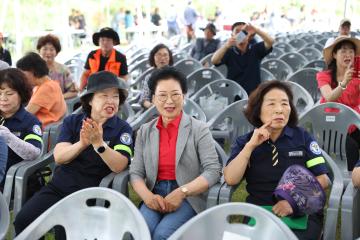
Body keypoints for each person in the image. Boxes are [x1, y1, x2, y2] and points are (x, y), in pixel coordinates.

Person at [14, 71, 133, 239]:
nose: (110, 101)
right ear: (90, 100)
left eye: (115, 96)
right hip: (59, 188)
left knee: (67, 233)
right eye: (104, 96)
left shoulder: (122, 128)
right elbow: (60, 157)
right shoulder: (73, 122)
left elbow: (120, 165)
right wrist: (82, 144)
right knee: (24, 221)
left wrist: (99, 144)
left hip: (91, 194)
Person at [223, 80, 329, 239]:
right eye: (271, 104)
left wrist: (292, 202)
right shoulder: (245, 141)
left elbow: (323, 179)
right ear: (258, 110)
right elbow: (231, 178)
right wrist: (250, 146)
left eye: (284, 103)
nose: (279, 110)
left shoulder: (303, 138)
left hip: (299, 211)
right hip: (258, 212)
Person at [130, 67, 222, 240]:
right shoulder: (145, 131)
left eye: (175, 94)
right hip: (154, 193)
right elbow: (136, 171)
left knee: (163, 235)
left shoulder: (199, 129)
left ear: (184, 96)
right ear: (154, 99)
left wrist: (182, 191)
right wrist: (147, 196)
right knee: (140, 232)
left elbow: (213, 170)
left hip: (189, 196)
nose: (169, 101)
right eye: (162, 95)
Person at [317, 36, 360, 171]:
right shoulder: (324, 75)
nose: (348, 55)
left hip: (352, 125)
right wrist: (344, 83)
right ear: (334, 55)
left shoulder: (357, 78)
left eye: (351, 51)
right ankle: (350, 182)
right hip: (331, 126)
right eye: (343, 51)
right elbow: (329, 97)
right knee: (351, 147)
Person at [0, 68, 42, 187]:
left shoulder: (30, 121)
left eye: (9, 93)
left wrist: (8, 137)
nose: (3, 98)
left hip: (12, 181)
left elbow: (34, 153)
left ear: (21, 94)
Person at [211, 22, 273, 95]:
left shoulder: (255, 49)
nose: (241, 34)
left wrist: (256, 30)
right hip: (233, 93)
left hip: (253, 94)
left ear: (248, 35)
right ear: (232, 35)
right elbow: (214, 61)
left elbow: (270, 42)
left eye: (243, 32)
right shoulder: (229, 51)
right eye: (237, 31)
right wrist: (226, 46)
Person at [16, 52, 67, 128]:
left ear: (32, 71)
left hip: (40, 131)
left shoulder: (46, 88)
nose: (21, 77)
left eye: (22, 73)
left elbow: (25, 114)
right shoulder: (50, 84)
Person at [37, 34, 78, 99]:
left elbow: (74, 92)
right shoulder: (34, 70)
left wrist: (56, 98)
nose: (48, 52)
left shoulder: (63, 69)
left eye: (51, 49)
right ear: (39, 51)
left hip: (58, 106)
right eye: (45, 49)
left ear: (57, 52)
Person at [139, 43, 174, 109]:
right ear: (153, 58)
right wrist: (152, 106)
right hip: (154, 113)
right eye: (159, 55)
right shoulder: (149, 77)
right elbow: (143, 99)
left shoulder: (176, 76)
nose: (162, 58)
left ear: (170, 58)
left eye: (165, 55)